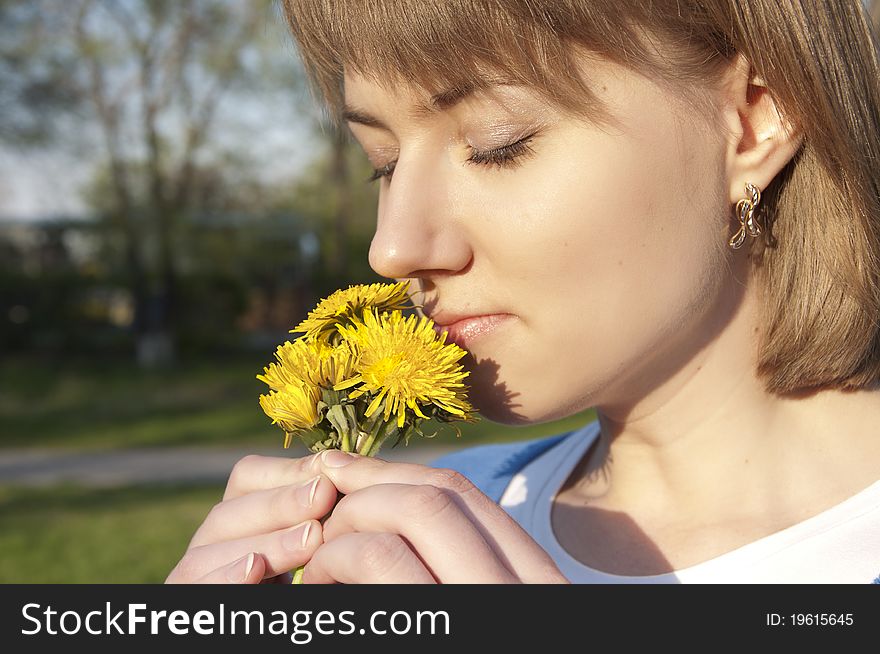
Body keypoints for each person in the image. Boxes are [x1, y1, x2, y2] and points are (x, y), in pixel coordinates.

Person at [166, 0, 880, 584]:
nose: (393, 249)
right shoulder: (417, 531)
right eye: (382, 164)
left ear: (753, 120)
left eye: (496, 143)